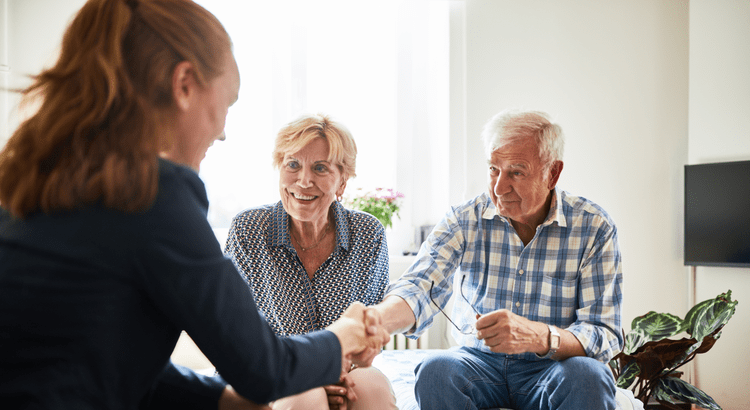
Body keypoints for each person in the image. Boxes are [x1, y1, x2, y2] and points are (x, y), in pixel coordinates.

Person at [0, 1, 388, 409]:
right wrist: (346, 335)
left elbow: (107, 357)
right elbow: (262, 368)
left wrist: (221, 399)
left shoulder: (44, 176)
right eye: (228, 104)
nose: (222, 132)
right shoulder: (151, 195)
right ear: (184, 84)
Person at [371, 109, 624, 410]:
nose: (499, 187)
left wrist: (540, 336)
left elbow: (604, 332)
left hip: (552, 368)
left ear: (552, 173)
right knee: (436, 369)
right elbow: (420, 285)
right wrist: (375, 322)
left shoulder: (593, 227)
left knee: (589, 375)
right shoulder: (465, 219)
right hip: (478, 364)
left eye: (516, 172)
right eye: (494, 169)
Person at [225, 113, 397, 410]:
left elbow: (370, 333)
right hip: (274, 370)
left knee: (374, 391)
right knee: (305, 397)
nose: (304, 180)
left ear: (342, 181)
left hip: (349, 372)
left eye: (320, 168)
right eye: (292, 165)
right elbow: (237, 332)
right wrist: (312, 376)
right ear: (279, 169)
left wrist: (337, 376)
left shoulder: (368, 233)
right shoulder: (248, 230)